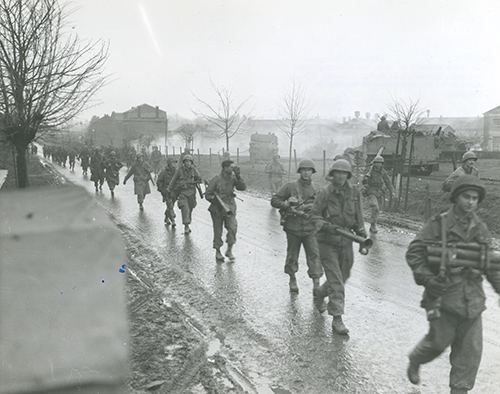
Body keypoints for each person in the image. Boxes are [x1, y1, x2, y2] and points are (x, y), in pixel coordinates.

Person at [406, 175, 500, 394]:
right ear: (456, 197)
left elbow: (490, 265)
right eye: (466, 197)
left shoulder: (480, 228)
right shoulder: (438, 225)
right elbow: (414, 252)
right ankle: (415, 359)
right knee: (437, 343)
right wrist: (428, 279)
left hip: (472, 300)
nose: (471, 202)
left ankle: (459, 390)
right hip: (443, 296)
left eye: (475, 198)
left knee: (470, 353)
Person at [311, 159, 367, 334]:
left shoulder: (354, 193)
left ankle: (319, 293)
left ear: (348, 175)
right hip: (327, 242)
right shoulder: (325, 193)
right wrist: (325, 225)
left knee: (344, 276)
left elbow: (359, 216)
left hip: (346, 241)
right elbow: (314, 216)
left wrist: (362, 236)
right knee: (336, 282)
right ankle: (337, 319)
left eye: (344, 173)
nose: (341, 176)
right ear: (332, 175)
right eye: (338, 173)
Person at [271, 159, 323, 293]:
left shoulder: (316, 189)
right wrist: (286, 204)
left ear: (312, 172)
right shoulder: (290, 186)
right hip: (293, 227)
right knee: (292, 255)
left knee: (314, 255)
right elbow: (274, 200)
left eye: (309, 170)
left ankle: (316, 284)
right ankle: (292, 278)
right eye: (303, 170)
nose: (306, 173)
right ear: (300, 172)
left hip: (310, 228)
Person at [205, 159, 246, 262]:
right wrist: (216, 201)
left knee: (233, 228)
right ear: (225, 168)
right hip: (217, 209)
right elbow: (208, 194)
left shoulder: (233, 178)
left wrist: (238, 176)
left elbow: (242, 187)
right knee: (218, 230)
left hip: (230, 207)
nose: (233, 169)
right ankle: (218, 251)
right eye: (231, 167)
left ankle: (229, 250)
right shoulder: (216, 179)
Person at [168, 154, 202, 234]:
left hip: (192, 193)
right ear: (184, 162)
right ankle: (186, 226)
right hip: (183, 193)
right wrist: (169, 189)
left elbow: (199, 178)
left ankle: (188, 222)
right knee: (185, 208)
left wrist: (197, 180)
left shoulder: (194, 170)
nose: (188, 163)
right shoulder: (179, 170)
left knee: (190, 208)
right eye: (186, 161)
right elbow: (173, 180)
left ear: (191, 162)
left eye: (189, 162)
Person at [362, 155, 394, 233]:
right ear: (374, 163)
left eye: (380, 163)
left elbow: (388, 182)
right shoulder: (369, 171)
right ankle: (372, 225)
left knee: (377, 210)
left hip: (380, 192)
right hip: (371, 191)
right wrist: (365, 180)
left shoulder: (383, 172)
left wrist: (392, 191)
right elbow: (363, 181)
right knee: (375, 207)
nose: (378, 165)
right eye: (377, 163)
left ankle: (373, 224)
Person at [157, 158, 178, 226]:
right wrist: (162, 190)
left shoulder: (176, 172)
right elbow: (159, 181)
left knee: (170, 206)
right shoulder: (164, 172)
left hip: (174, 192)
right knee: (170, 205)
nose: (174, 165)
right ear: (169, 163)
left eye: (175, 163)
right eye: (172, 163)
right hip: (166, 192)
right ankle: (173, 220)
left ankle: (166, 217)